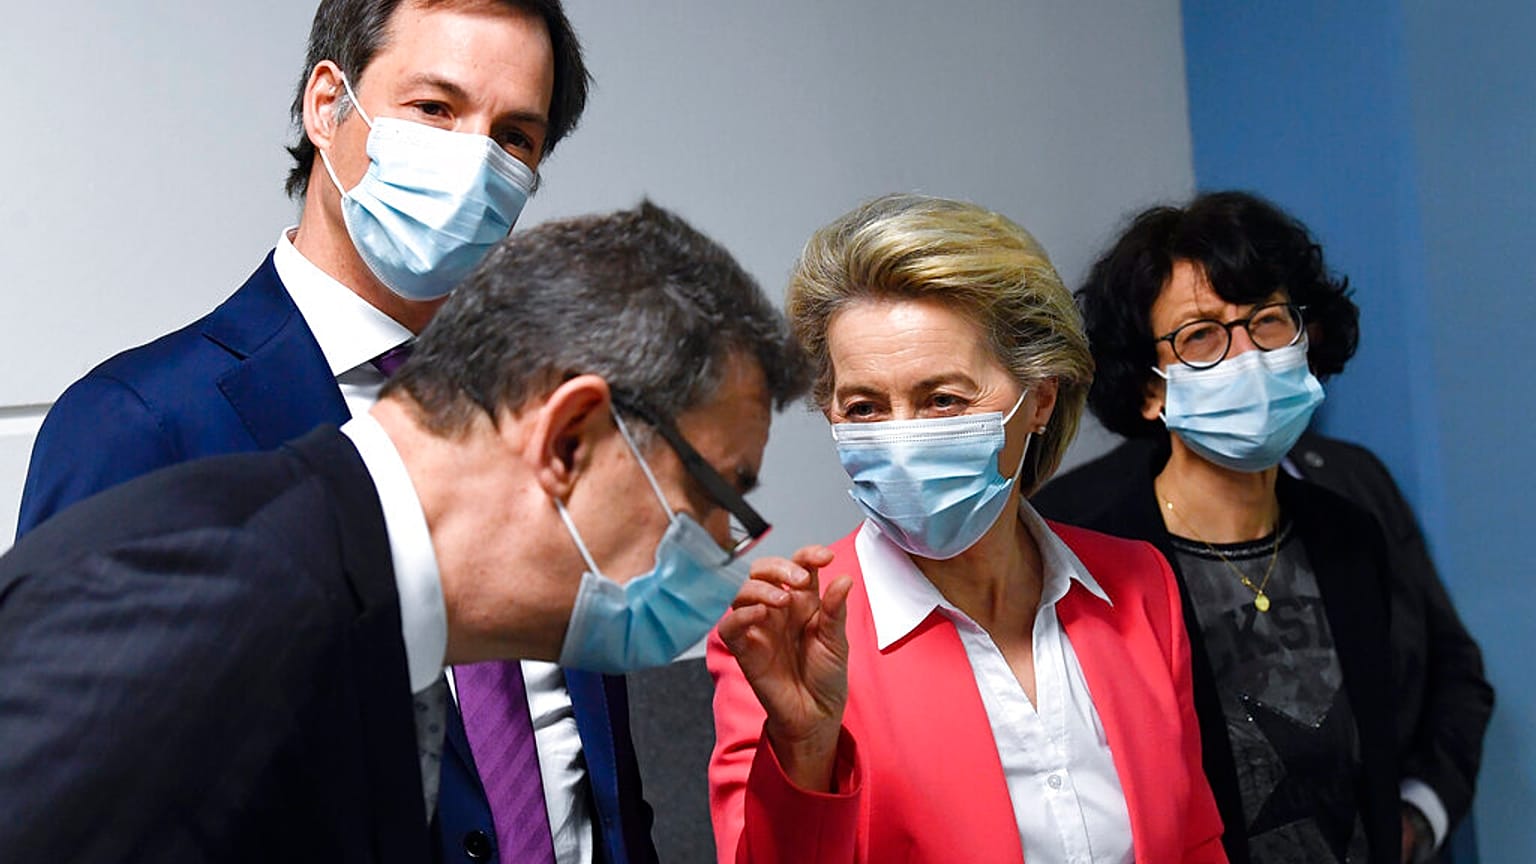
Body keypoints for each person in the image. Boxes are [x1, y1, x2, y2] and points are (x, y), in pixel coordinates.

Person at [12, 3, 652, 863]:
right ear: (327, 104)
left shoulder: (557, 423)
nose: (474, 160)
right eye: (434, 108)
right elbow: (77, 816)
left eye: (516, 137)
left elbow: (596, 791)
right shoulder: (139, 427)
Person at [0, 201, 809, 864]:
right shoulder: (209, 603)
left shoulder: (369, 618)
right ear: (570, 441)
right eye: (714, 492)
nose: (718, 545)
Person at [707, 194, 1226, 863]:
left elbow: (1194, 840)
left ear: (1040, 398)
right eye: (864, 406)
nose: (899, 439)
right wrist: (805, 753)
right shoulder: (793, 631)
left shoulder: (1138, 585)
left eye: (943, 400)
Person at [1030, 191, 1401, 864]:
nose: (1248, 355)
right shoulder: (1094, 560)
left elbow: (1372, 759)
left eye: (1267, 321)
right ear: (1150, 388)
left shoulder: (1349, 534)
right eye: (1201, 336)